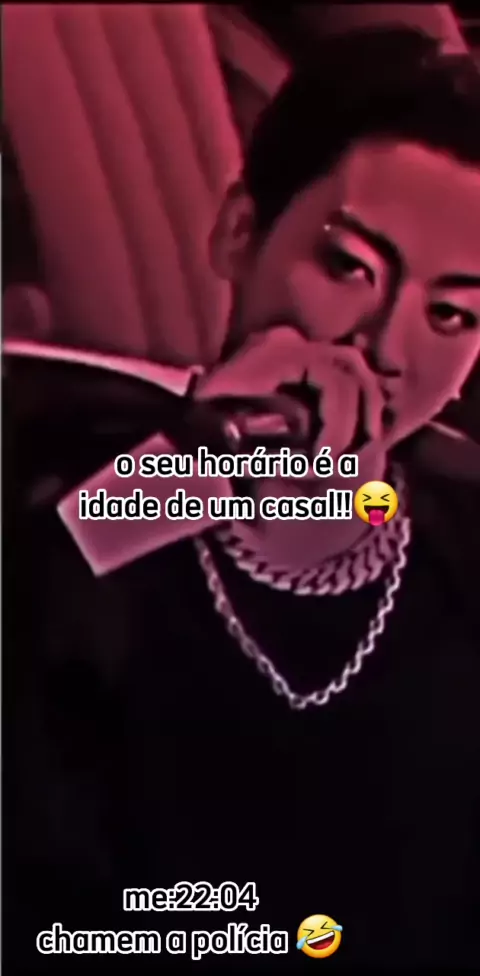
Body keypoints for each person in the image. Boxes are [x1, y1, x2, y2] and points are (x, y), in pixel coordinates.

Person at [5, 26, 480, 973]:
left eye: (452, 314)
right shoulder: (63, 474)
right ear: (238, 232)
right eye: (349, 268)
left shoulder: (459, 555)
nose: (385, 348)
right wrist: (201, 466)